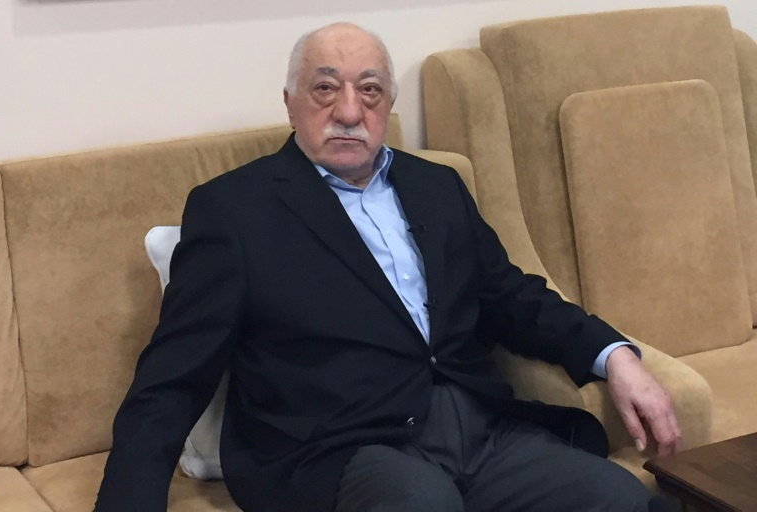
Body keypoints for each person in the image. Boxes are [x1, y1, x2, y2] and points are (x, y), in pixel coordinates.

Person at [95, 22, 681, 512]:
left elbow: (510, 296)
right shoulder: (234, 211)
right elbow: (174, 376)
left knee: (622, 499)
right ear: (290, 103)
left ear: (388, 105)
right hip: (337, 446)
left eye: (370, 90)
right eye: (326, 88)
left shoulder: (437, 186)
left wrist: (614, 356)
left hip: (477, 428)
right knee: (424, 504)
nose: (349, 111)